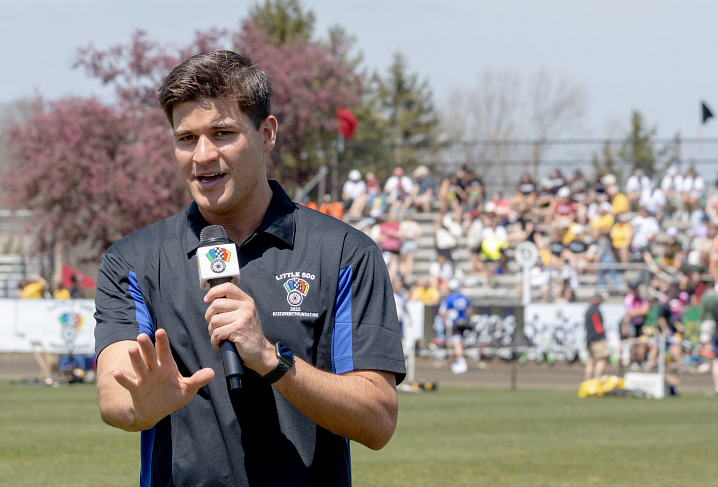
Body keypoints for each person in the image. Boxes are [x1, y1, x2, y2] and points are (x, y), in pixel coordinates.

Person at [94, 51, 405, 486]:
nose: (202, 155)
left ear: (266, 134)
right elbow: (113, 397)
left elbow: (378, 421)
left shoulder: (345, 253)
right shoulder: (134, 259)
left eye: (222, 133)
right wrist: (143, 404)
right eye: (187, 138)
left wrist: (273, 362)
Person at [439, 279, 473, 374]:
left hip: (455, 324)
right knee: (459, 343)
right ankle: (457, 362)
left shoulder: (449, 298)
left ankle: (461, 362)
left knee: (457, 344)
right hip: (463, 322)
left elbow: (443, 313)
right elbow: (469, 310)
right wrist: (467, 320)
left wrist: (444, 324)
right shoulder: (465, 298)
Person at [584, 293, 609, 380]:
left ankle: (588, 382)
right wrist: (604, 335)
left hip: (589, 339)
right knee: (601, 359)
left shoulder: (588, 310)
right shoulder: (595, 311)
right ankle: (596, 382)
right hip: (597, 339)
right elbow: (598, 327)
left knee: (591, 360)